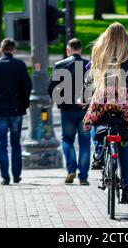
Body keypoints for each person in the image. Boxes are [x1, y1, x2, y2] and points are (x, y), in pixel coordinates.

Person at [82, 22, 128, 204]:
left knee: (93, 120)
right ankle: (125, 188)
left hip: (102, 95)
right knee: (124, 144)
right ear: (125, 37)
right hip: (124, 99)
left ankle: (100, 153)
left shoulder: (99, 51)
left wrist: (83, 97)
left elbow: (89, 78)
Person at [0, 38, 32, 185]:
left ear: (0, 50)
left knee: (1, 144)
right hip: (16, 109)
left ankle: (5, 176)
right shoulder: (19, 65)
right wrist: (24, 104)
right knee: (16, 143)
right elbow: (27, 87)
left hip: (0, 110)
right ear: (14, 50)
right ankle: (16, 175)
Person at [48, 38, 91, 185]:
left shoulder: (60, 65)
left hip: (67, 109)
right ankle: (83, 177)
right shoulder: (89, 65)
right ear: (80, 49)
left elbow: (51, 87)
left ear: (68, 50)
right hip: (85, 109)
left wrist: (59, 102)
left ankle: (71, 169)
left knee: (67, 140)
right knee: (85, 143)